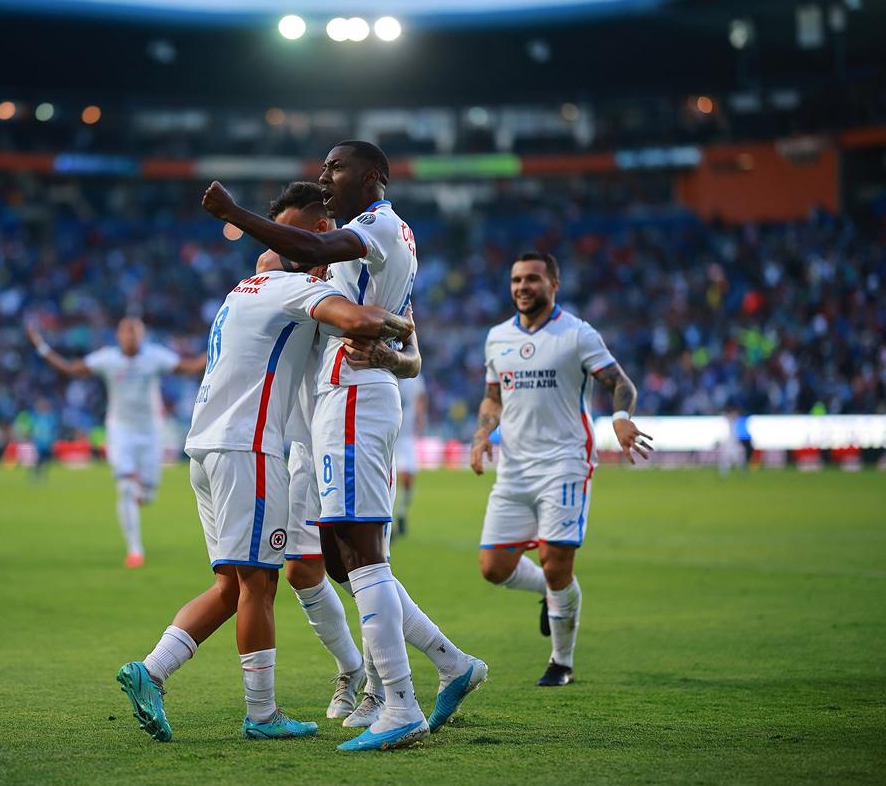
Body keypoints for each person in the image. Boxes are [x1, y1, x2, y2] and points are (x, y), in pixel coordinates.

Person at [202, 141, 486, 751]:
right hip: (337, 408)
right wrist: (388, 352)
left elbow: (314, 250)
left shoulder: (372, 226)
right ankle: (450, 665)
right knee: (339, 560)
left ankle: (396, 700)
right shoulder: (381, 241)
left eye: (337, 168)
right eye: (324, 169)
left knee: (361, 558)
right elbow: (407, 344)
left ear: (374, 177)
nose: (325, 176)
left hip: (350, 401)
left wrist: (233, 211)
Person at [116, 242, 414, 743]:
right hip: (248, 449)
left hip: (206, 448)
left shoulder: (238, 294)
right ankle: (261, 713)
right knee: (261, 585)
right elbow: (357, 319)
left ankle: (152, 672)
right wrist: (403, 324)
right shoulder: (293, 290)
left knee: (231, 586)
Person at [470, 251, 653, 687]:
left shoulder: (577, 334)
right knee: (493, 567)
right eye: (516, 280)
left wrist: (621, 419)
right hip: (514, 468)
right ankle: (550, 595)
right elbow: (493, 396)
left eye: (532, 279)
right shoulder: (497, 337)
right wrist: (481, 435)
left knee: (556, 560)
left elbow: (619, 382)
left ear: (554, 284)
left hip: (565, 462)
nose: (522, 287)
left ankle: (561, 663)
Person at [27, 318, 206, 567]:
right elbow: (70, 368)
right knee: (126, 487)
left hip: (151, 432)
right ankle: (135, 550)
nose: (131, 336)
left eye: (135, 332)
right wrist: (42, 347)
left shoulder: (155, 357)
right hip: (120, 431)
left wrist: (224, 345)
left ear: (142, 335)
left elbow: (190, 366)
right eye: (126, 332)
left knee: (147, 495)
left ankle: (141, 492)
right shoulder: (107, 359)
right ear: (119, 335)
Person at [392, 374, 428, 537]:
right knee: (391, 479)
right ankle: (388, 522)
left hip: (406, 436)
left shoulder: (415, 378)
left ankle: (401, 513)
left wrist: (420, 419)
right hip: (390, 436)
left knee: (408, 479)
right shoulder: (387, 372)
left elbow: (420, 398)